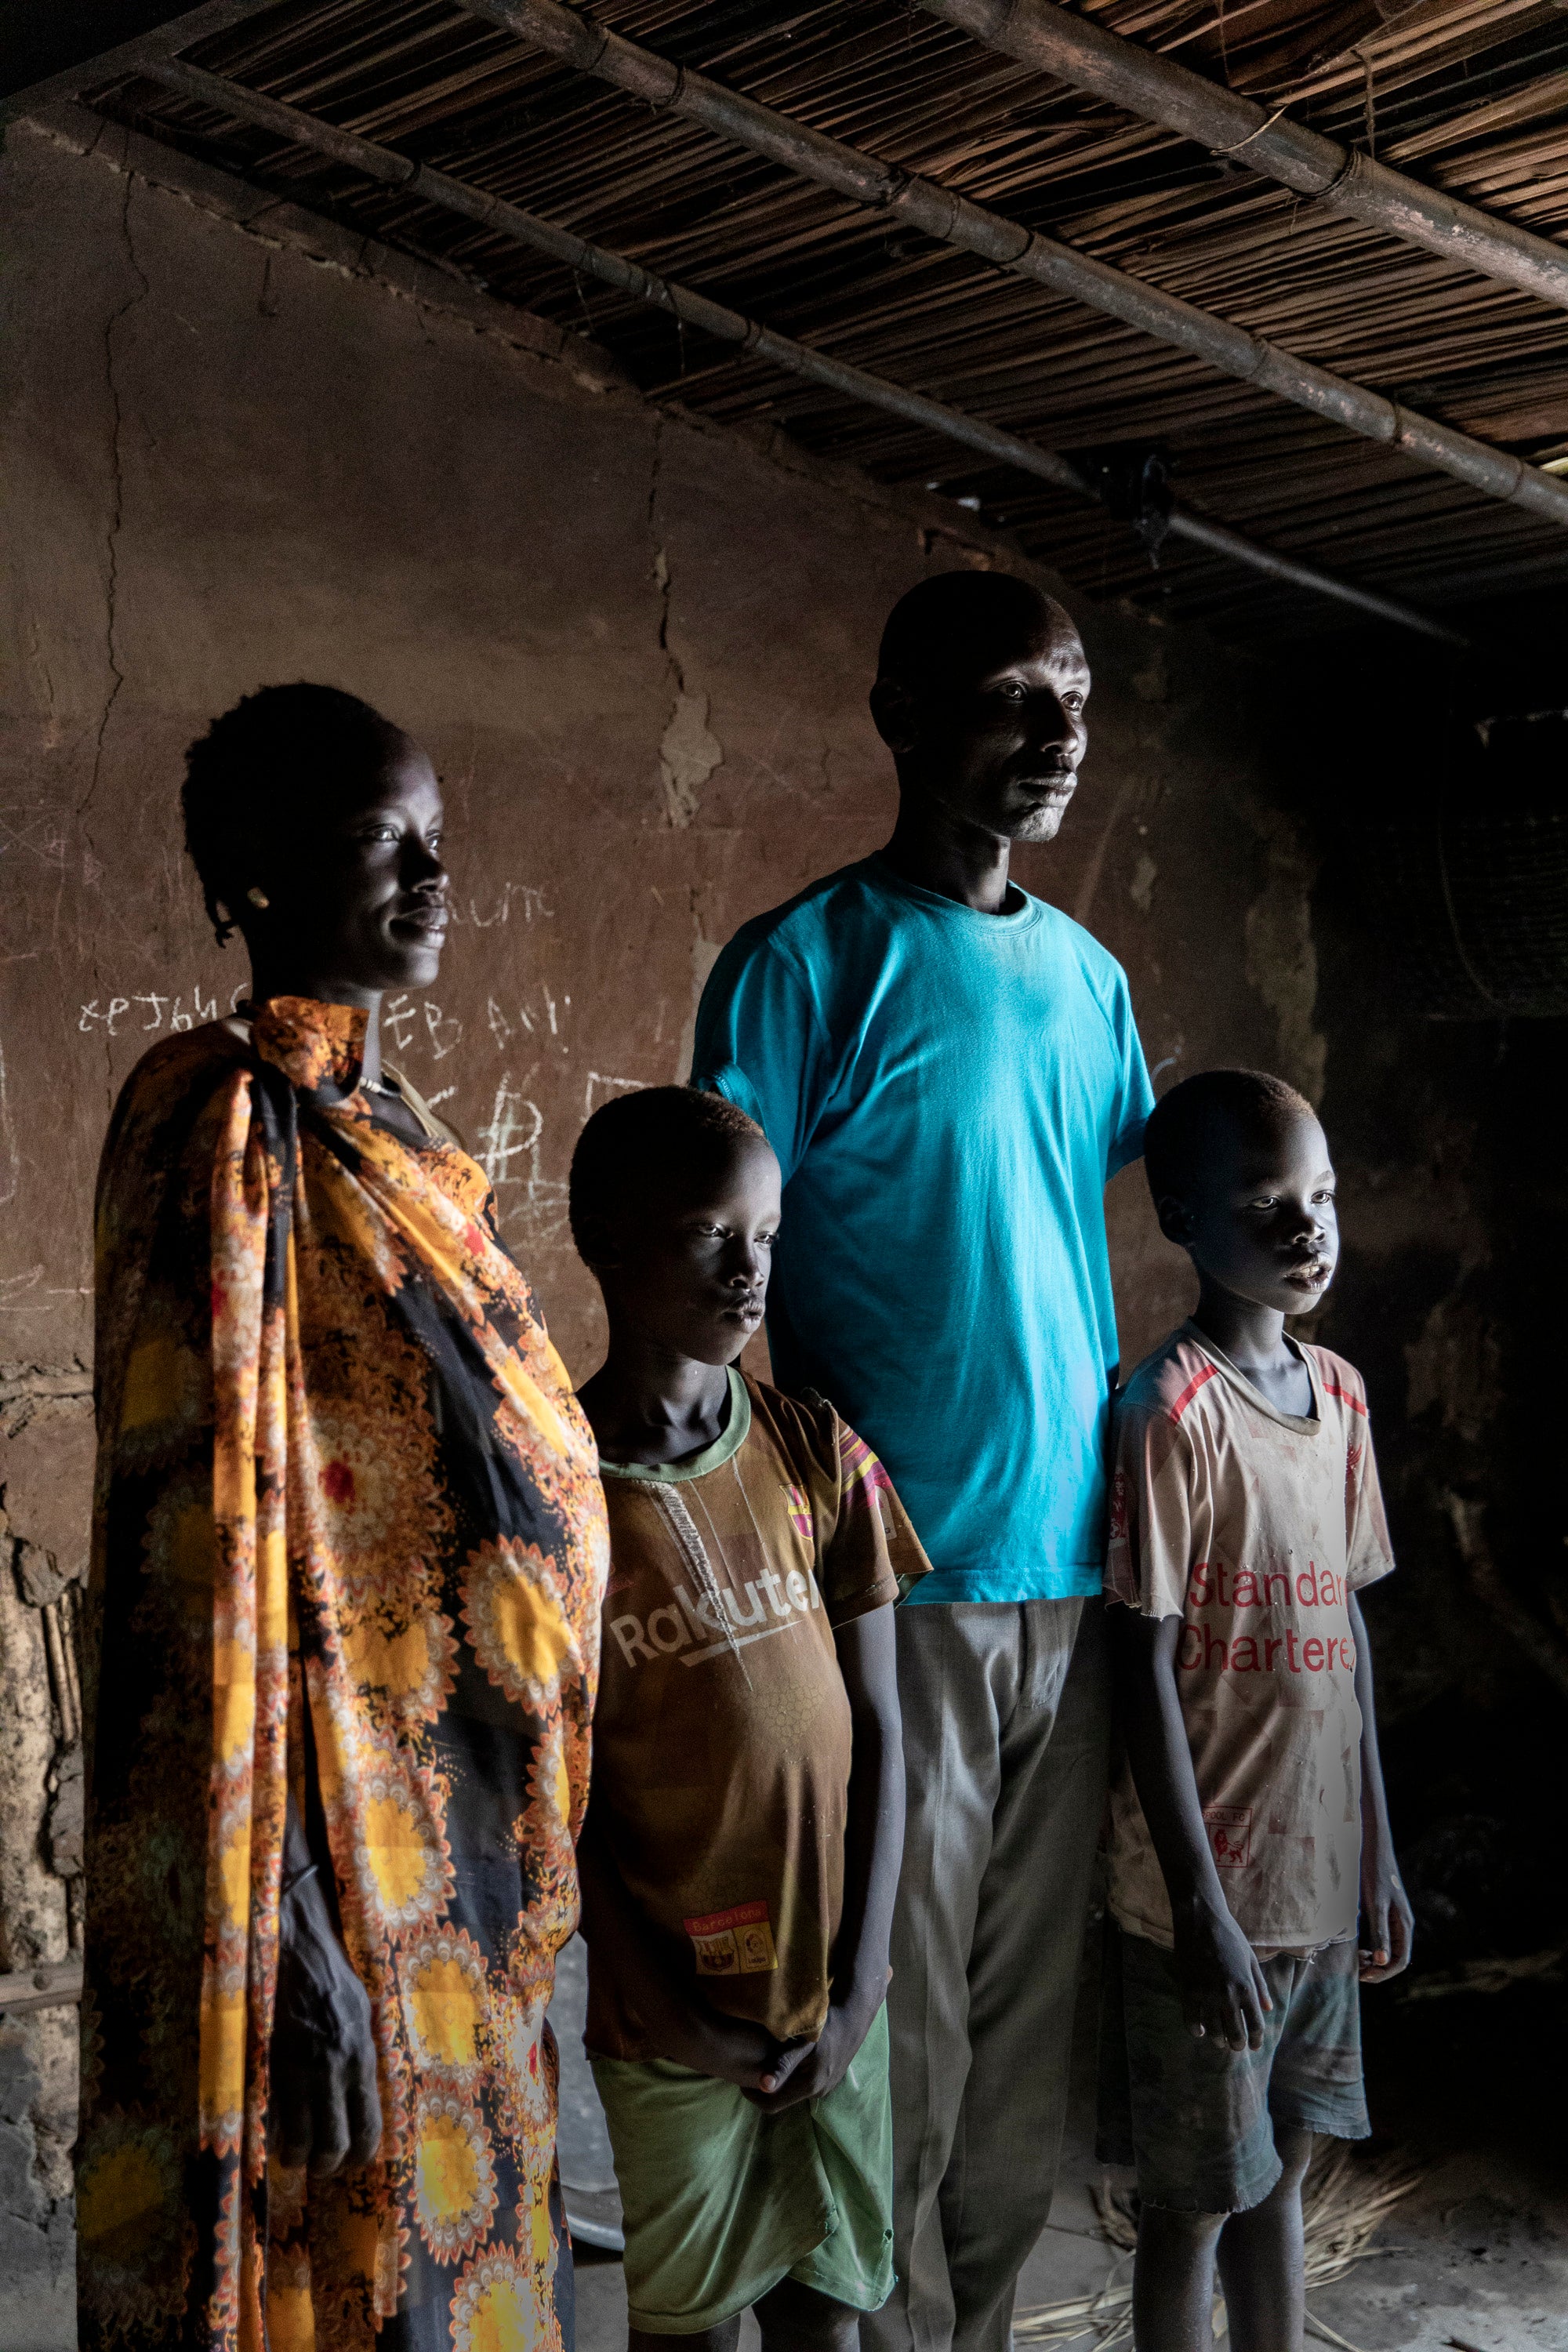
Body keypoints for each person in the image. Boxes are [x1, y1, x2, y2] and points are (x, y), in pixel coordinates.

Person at [78, 684, 608, 2352]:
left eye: (439, 839)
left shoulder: (397, 1136)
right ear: (253, 873)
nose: (434, 875)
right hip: (317, 1859)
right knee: (340, 2265)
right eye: (390, 839)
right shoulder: (224, 1128)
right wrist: (291, 1918)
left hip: (460, 1838)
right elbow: (214, 1570)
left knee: (457, 2257)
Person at [691, 570, 1154, 2352]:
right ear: (898, 719)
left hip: (1070, 1566)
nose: (1055, 737)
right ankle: (871, 2331)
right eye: (1009, 700)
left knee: (1025, 2019)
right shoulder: (804, 964)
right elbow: (718, 1252)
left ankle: (970, 2332)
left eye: (1078, 700)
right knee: (896, 2021)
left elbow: (1053, 1234)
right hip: (899, 1580)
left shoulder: (1088, 980)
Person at [568, 1086, 927, 2352]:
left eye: (767, 1236)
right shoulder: (560, 1498)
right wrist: (663, 2007)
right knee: (692, 2326)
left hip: (834, 1987)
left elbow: (883, 1728)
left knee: (829, 2316)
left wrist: (866, 1977)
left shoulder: (817, 1447)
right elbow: (557, 1810)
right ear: (605, 1241)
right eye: (710, 1234)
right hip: (672, 2020)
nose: (750, 1268)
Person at [1100, 1069, 1413, 2352]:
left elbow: (1347, 1639)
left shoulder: (1338, 1398)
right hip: (1211, 1904)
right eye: (1266, 1203)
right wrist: (1199, 1909)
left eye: (1323, 1198)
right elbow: (1138, 1668)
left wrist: (1375, 1856)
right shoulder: (1169, 1414)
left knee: (1283, 2178)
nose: (1308, 1230)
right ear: (1183, 1218)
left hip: (1319, 1883)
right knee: (1191, 2206)